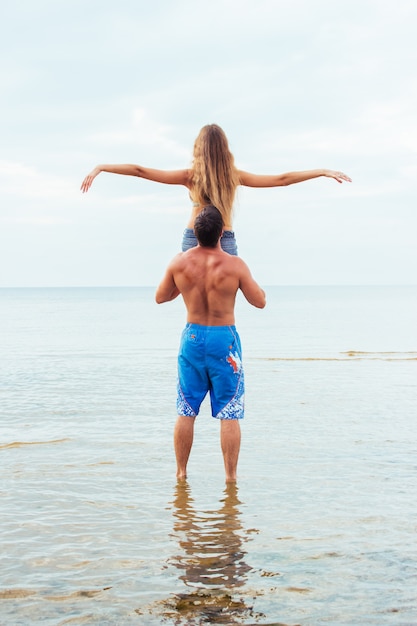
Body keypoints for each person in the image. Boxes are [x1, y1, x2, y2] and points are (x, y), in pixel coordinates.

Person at [81, 123, 352, 255]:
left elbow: (140, 171)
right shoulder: (233, 177)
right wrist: (322, 171)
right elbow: (282, 179)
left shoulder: (190, 176)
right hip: (226, 239)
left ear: (198, 148)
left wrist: (102, 166)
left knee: (195, 300)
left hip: (193, 238)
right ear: (224, 149)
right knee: (223, 300)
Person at [155, 205, 266, 483]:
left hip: (192, 338)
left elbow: (161, 297)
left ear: (195, 232)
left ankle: (181, 474)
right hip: (223, 339)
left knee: (186, 409)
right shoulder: (235, 265)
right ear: (221, 234)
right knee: (229, 412)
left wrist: (188, 285)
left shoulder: (179, 262)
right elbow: (260, 301)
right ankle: (230, 478)